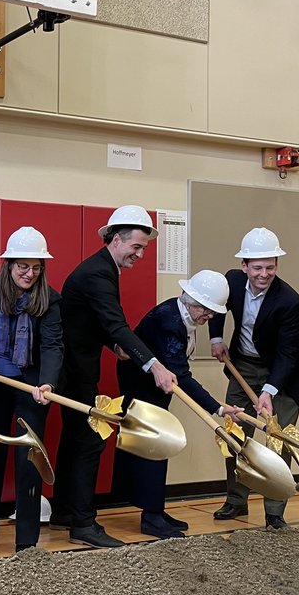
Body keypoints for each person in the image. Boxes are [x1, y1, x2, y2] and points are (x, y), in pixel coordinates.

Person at [50, 205, 177, 548]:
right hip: (75, 373)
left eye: (144, 248)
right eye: (136, 246)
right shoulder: (98, 274)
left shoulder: (101, 268)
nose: (140, 254)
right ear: (116, 239)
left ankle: (64, 510)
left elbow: (95, 321)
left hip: (74, 369)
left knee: (75, 442)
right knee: (89, 442)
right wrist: (155, 365)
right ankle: (83, 524)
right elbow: (115, 323)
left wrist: (113, 345)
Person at [116, 271, 243, 538]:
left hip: (154, 388)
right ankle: (151, 516)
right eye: (206, 312)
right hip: (142, 390)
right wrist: (217, 408)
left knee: (159, 448)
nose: (209, 318)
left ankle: (155, 509)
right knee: (154, 446)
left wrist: (217, 407)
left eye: (212, 314)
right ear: (192, 301)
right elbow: (181, 375)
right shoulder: (170, 321)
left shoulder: (180, 314)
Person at [208, 227, 299, 529]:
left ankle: (275, 511)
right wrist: (215, 338)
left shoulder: (290, 301)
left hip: (283, 377)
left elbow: (288, 353)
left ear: (277, 265)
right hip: (243, 367)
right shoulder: (233, 281)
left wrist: (268, 390)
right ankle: (236, 501)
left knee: (278, 440)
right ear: (244, 266)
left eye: (270, 267)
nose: (264, 274)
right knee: (234, 435)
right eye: (258, 267)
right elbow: (217, 306)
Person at [0, 227, 62, 551]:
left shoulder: (50, 299)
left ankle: (26, 542)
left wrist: (47, 382)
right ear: (8, 265)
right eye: (23, 266)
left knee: (28, 460)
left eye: (37, 267)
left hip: (31, 388)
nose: (30, 273)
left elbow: (53, 345)